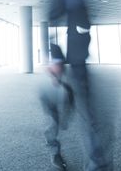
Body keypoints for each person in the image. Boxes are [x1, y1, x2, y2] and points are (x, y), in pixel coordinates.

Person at [47, 0, 113, 171]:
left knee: (89, 116)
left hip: (78, 63)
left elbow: (84, 25)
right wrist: (55, 59)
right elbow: (52, 26)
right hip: (62, 66)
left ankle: (97, 165)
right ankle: (54, 148)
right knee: (59, 116)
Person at [39, 41, 75, 170]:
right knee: (51, 129)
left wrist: (66, 116)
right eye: (55, 65)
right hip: (51, 102)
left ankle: (56, 153)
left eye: (59, 65)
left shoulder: (66, 83)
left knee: (53, 126)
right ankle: (55, 155)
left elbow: (70, 99)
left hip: (61, 96)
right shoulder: (46, 82)